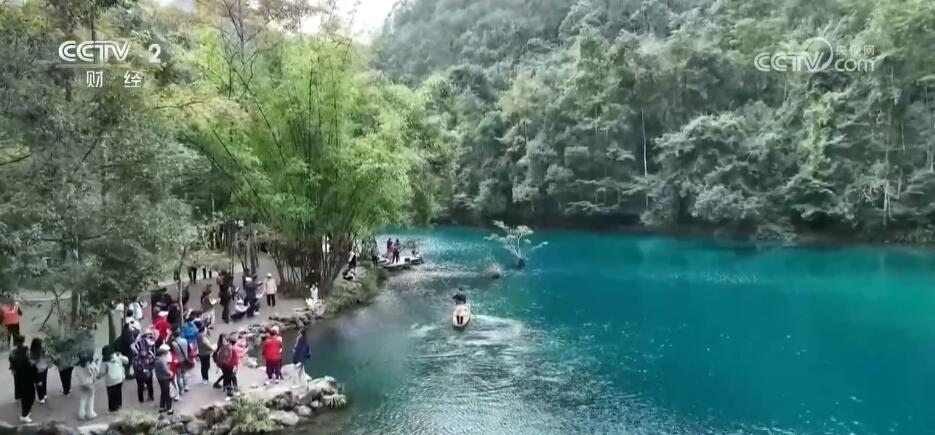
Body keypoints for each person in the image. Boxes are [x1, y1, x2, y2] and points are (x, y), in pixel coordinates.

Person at [10, 335, 35, 423]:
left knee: (21, 390)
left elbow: (11, 361)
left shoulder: (13, 351)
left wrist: (13, 369)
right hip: (26, 375)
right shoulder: (26, 350)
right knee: (28, 396)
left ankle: (19, 397)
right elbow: (30, 362)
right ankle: (24, 415)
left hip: (18, 373)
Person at [99, 345, 129, 413]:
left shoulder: (104, 362)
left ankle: (112, 409)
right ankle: (119, 405)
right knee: (118, 392)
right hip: (119, 378)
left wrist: (98, 376)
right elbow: (126, 361)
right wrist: (120, 356)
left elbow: (102, 372)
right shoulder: (117, 356)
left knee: (111, 395)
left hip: (110, 380)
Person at [131, 331, 156, 403]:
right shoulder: (149, 354)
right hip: (146, 371)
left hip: (141, 372)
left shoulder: (137, 356)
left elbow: (134, 364)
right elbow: (153, 361)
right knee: (147, 385)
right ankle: (148, 397)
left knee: (142, 386)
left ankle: (142, 399)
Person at [75, 352, 99, 421]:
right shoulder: (90, 365)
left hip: (82, 383)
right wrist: (96, 364)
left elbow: (77, 375)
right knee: (90, 399)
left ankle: (81, 413)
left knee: (83, 398)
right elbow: (96, 372)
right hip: (90, 384)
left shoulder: (77, 366)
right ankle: (90, 413)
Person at [214, 335, 237, 400]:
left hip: (229, 366)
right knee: (228, 378)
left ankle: (230, 389)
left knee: (229, 377)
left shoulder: (231, 348)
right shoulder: (222, 349)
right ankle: (230, 390)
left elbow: (235, 358)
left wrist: (235, 366)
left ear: (228, 341)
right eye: (222, 341)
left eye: (224, 341)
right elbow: (219, 358)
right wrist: (218, 366)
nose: (223, 342)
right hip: (225, 366)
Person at [170, 330, 191, 396]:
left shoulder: (173, 343)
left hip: (177, 361)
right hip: (184, 359)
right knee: (184, 373)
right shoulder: (185, 340)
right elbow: (189, 349)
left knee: (179, 376)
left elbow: (172, 353)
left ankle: (181, 390)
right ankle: (186, 386)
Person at [154, 344, 174, 414]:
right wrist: (170, 373)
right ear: (162, 354)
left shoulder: (156, 360)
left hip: (160, 378)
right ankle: (169, 409)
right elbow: (166, 370)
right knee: (168, 394)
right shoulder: (162, 360)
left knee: (163, 393)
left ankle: (162, 407)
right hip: (165, 378)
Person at [30, 337, 49, 404]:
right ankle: (45, 394)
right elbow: (48, 357)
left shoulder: (32, 352)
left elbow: (32, 363)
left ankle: (41, 398)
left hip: (38, 370)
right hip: (45, 368)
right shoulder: (43, 350)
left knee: (39, 383)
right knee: (44, 382)